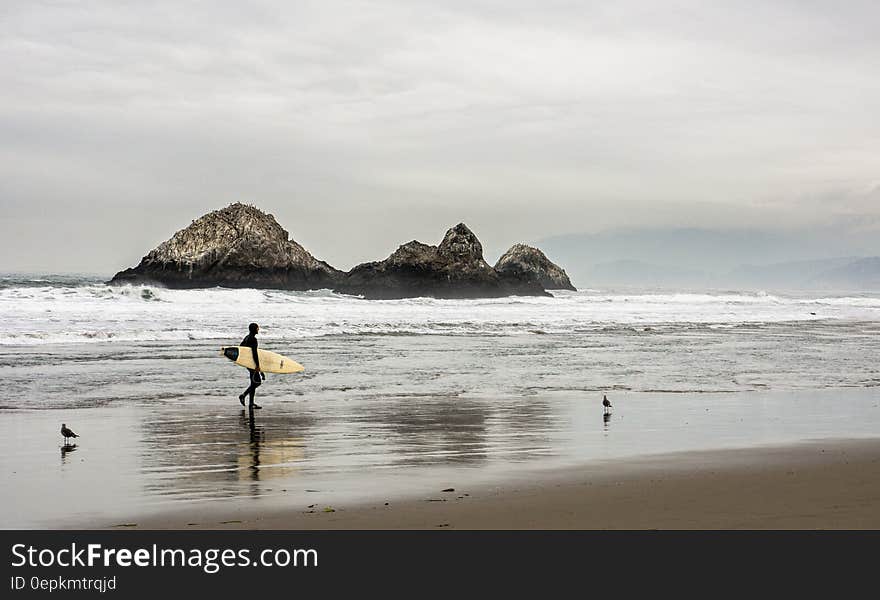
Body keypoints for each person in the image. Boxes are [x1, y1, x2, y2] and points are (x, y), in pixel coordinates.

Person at [238, 322, 265, 409]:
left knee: (254, 382)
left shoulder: (247, 337)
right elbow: (254, 354)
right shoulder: (253, 339)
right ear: (254, 329)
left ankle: (251, 403)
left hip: (248, 363)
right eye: (257, 328)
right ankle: (244, 395)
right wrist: (257, 366)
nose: (258, 329)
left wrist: (245, 360)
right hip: (252, 363)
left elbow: (240, 348)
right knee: (257, 382)